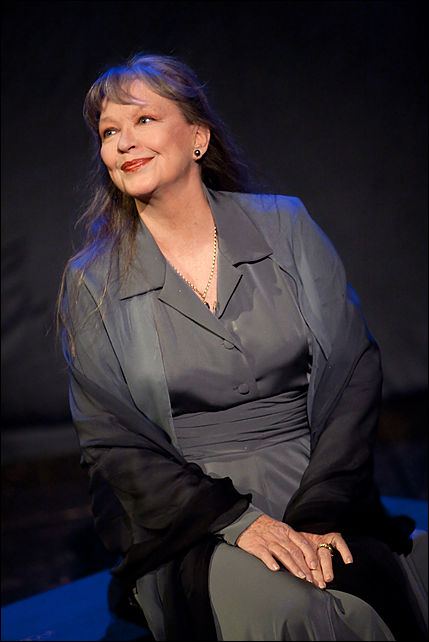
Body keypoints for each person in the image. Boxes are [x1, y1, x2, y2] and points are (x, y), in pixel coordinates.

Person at [58, 53, 427, 641]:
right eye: (108, 132)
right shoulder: (93, 280)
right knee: (289, 611)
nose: (123, 142)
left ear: (197, 138)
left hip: (316, 483)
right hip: (188, 517)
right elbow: (112, 440)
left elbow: (352, 370)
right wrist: (238, 523)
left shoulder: (285, 225)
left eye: (143, 120)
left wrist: (324, 506)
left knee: (373, 592)